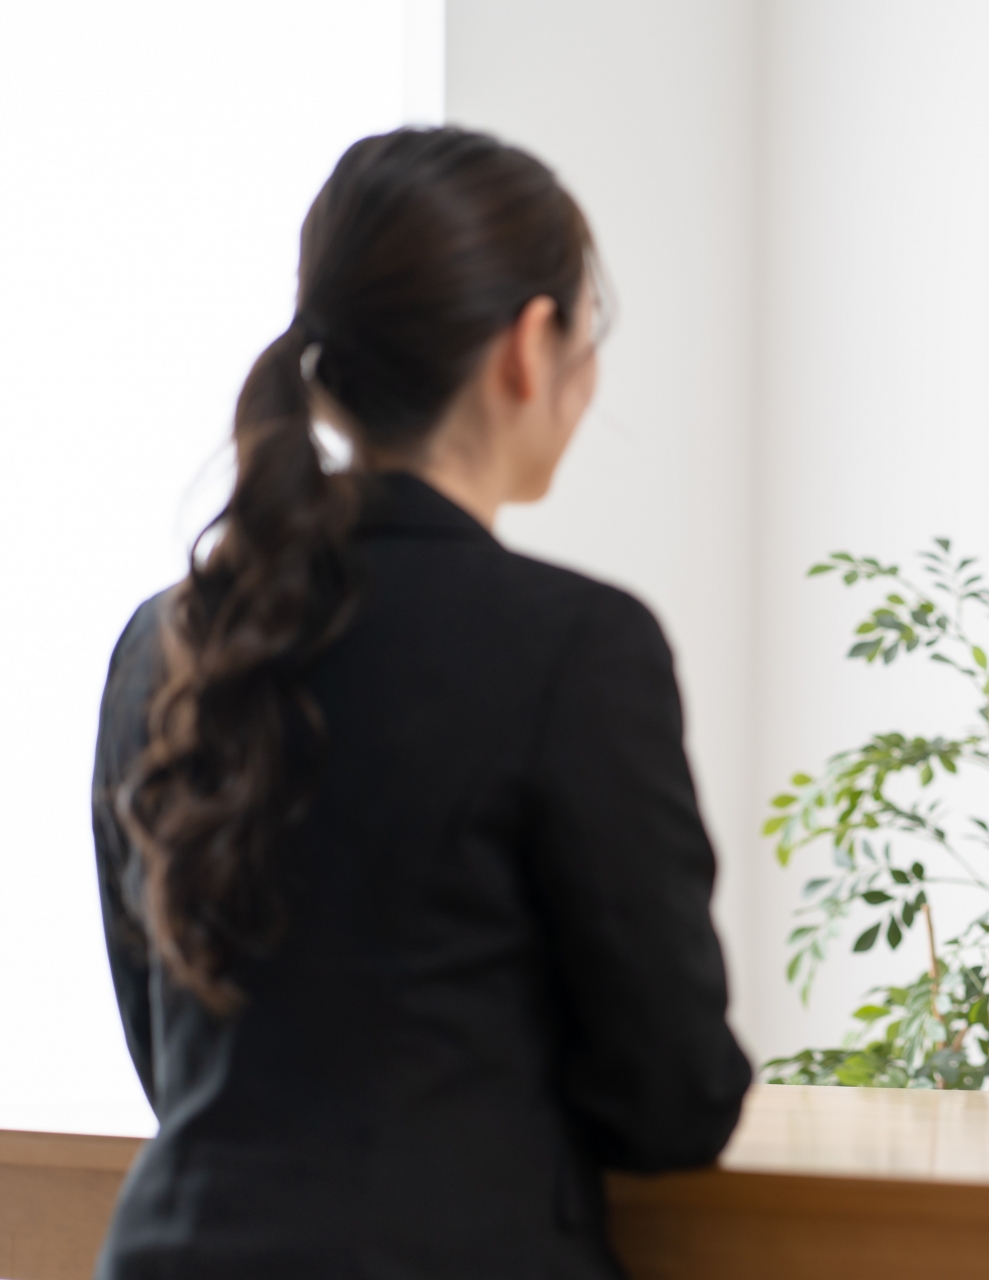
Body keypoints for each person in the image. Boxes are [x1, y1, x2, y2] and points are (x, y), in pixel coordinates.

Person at [90, 127, 750, 1277]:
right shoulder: (578, 646)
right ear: (528, 346)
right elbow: (673, 1097)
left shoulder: (171, 638)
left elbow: (171, 1041)